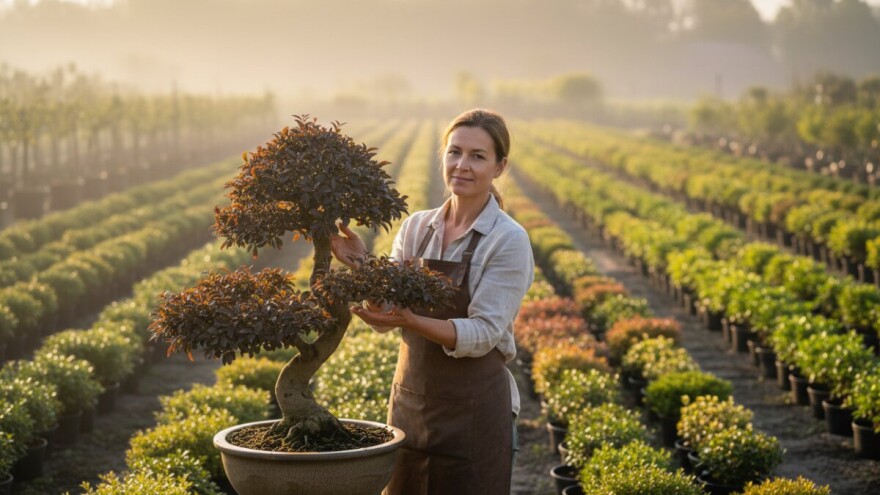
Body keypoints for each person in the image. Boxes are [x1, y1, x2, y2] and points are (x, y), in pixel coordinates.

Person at [330, 109, 534, 495]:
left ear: (500, 166)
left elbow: (484, 333)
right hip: (409, 407)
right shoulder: (417, 227)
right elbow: (385, 308)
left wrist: (411, 321)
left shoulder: (507, 239)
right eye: (454, 152)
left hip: (474, 415)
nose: (462, 165)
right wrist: (361, 265)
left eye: (478, 156)